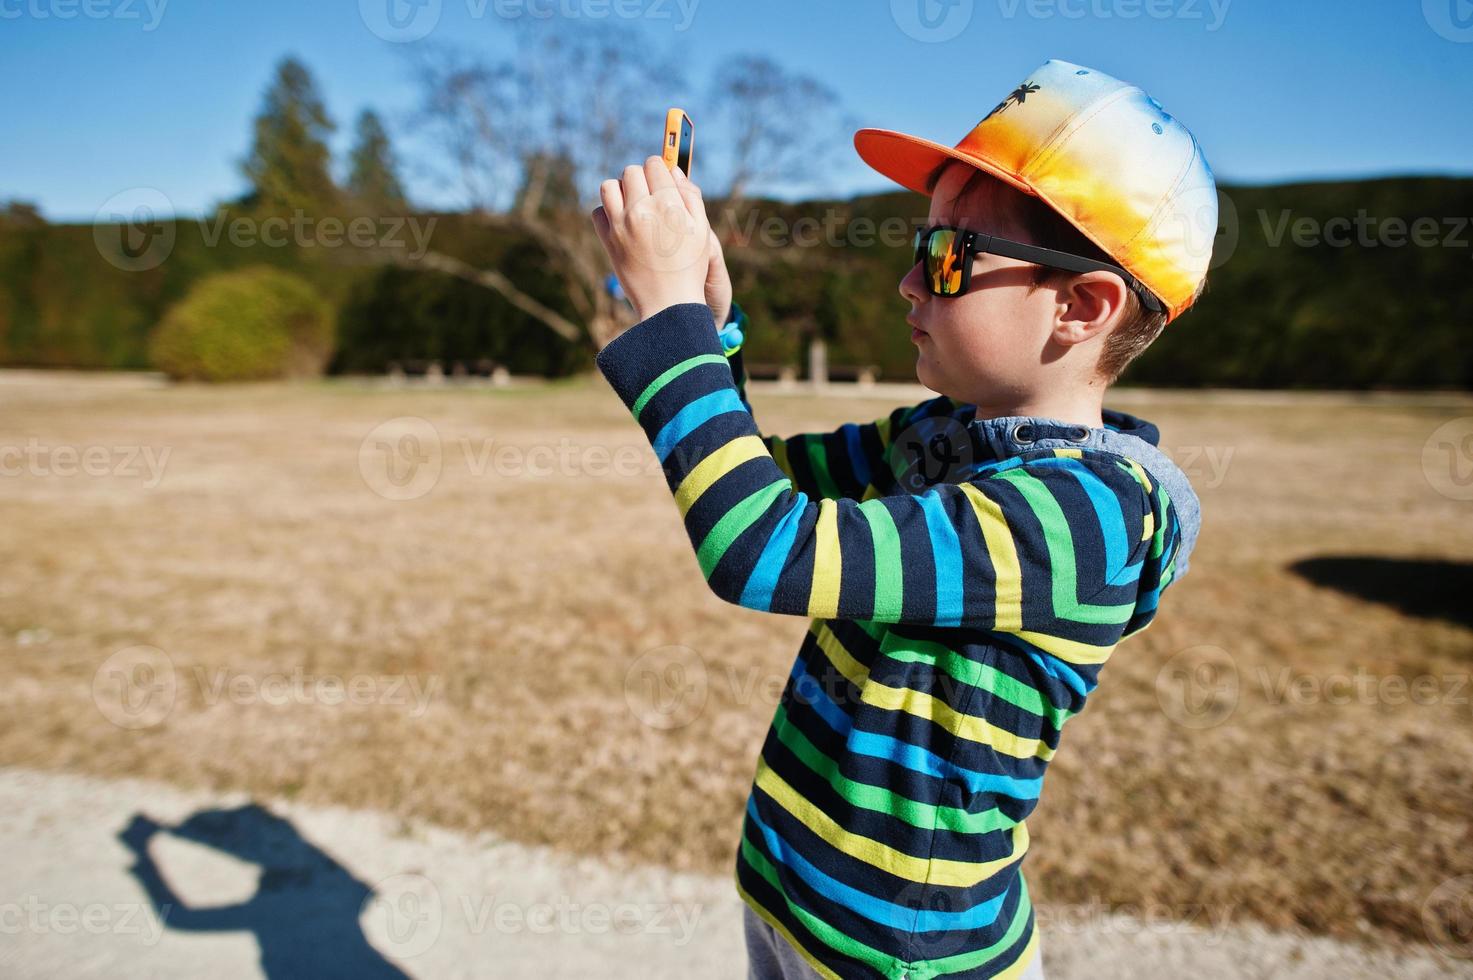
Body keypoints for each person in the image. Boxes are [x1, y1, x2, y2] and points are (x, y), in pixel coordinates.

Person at [589, 58, 1215, 980]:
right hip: (794, 897)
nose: (908, 284)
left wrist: (671, 320)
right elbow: (754, 482)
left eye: (949, 257)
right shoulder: (938, 435)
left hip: (903, 957)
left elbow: (760, 550)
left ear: (1081, 307)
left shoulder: (1088, 517)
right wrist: (708, 326)